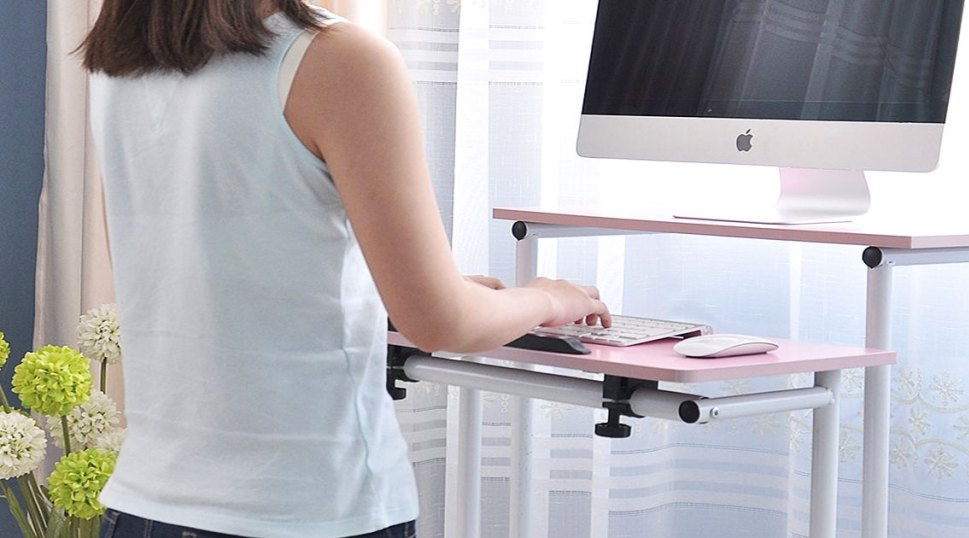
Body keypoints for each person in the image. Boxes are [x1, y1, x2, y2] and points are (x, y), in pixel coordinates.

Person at [82, 1, 610, 537]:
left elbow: (185, 273)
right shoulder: (339, 59)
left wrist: (400, 279)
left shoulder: (123, 66)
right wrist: (547, 297)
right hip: (313, 507)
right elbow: (442, 322)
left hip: (147, 505)